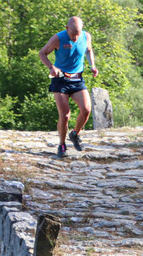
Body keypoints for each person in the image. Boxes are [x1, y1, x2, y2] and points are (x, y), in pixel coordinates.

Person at [39, 16, 98, 158]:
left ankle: (75, 133)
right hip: (60, 79)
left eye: (77, 34)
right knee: (65, 115)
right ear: (66, 29)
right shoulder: (58, 38)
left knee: (86, 110)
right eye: (72, 34)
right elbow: (42, 53)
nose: (75, 37)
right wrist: (51, 67)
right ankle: (62, 144)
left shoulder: (86, 37)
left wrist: (92, 65)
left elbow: (89, 50)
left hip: (77, 79)